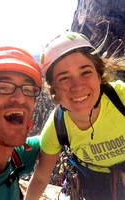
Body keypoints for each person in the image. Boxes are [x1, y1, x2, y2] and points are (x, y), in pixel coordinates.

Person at [25, 31, 125, 200]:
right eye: (64, 78)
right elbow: (41, 177)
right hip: (95, 186)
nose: (77, 86)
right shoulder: (57, 126)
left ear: (99, 75)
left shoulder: (121, 97)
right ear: (53, 89)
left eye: (86, 72)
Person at [0, 44, 42, 200]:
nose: (20, 98)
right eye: (3, 87)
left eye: (28, 89)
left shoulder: (15, 156)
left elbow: (48, 139)